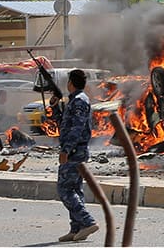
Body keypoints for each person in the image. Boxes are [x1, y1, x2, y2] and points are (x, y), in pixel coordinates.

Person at [50, 69, 98, 242]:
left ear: (71, 82)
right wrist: (55, 107)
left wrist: (66, 150)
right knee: (75, 190)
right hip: (75, 150)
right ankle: (76, 229)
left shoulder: (79, 101)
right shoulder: (75, 101)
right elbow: (64, 123)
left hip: (74, 152)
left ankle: (87, 222)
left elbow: (77, 128)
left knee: (64, 190)